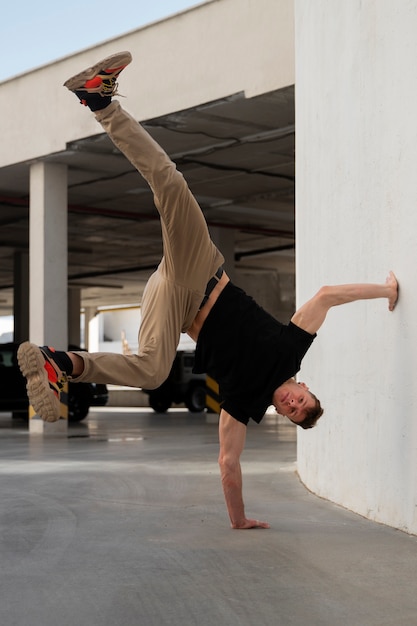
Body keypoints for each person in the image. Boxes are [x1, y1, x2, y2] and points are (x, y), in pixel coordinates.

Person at [17, 52, 399, 529]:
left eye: (293, 413)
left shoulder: (243, 403)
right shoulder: (290, 350)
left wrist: (239, 520)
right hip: (201, 272)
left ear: (284, 417)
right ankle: (99, 101)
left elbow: (228, 464)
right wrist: (384, 291)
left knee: (155, 372)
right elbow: (325, 297)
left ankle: (61, 364)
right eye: (302, 401)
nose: (292, 404)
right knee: (171, 185)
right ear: (304, 387)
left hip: (171, 306)